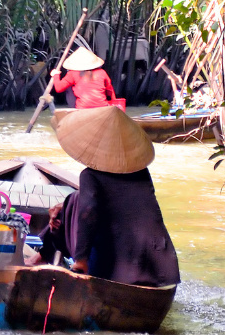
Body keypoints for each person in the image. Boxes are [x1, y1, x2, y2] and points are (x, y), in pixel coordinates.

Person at [47, 106, 179, 288]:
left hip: (118, 269)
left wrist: (81, 259)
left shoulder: (89, 175)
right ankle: (44, 251)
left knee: (72, 203)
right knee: (72, 200)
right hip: (157, 266)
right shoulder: (141, 173)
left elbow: (89, 211)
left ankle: (43, 254)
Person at [50, 45, 123, 108]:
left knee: (69, 88)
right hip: (102, 107)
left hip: (83, 108)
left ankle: (74, 110)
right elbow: (109, 90)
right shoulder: (102, 72)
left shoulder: (72, 73)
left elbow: (58, 88)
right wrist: (114, 102)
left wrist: (56, 75)